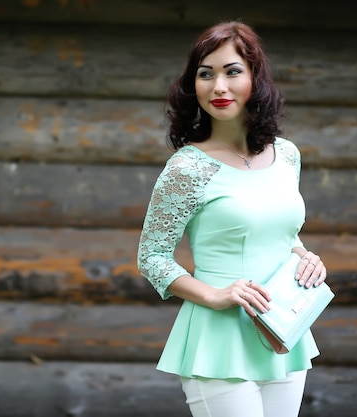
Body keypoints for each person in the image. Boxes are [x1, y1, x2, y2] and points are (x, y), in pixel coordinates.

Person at [137, 21, 328, 417]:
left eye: (232, 71)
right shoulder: (187, 168)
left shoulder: (287, 155)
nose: (218, 87)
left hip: (283, 331)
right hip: (217, 341)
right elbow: (152, 256)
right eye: (205, 74)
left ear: (256, 79)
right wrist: (216, 295)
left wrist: (306, 257)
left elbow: (283, 235)